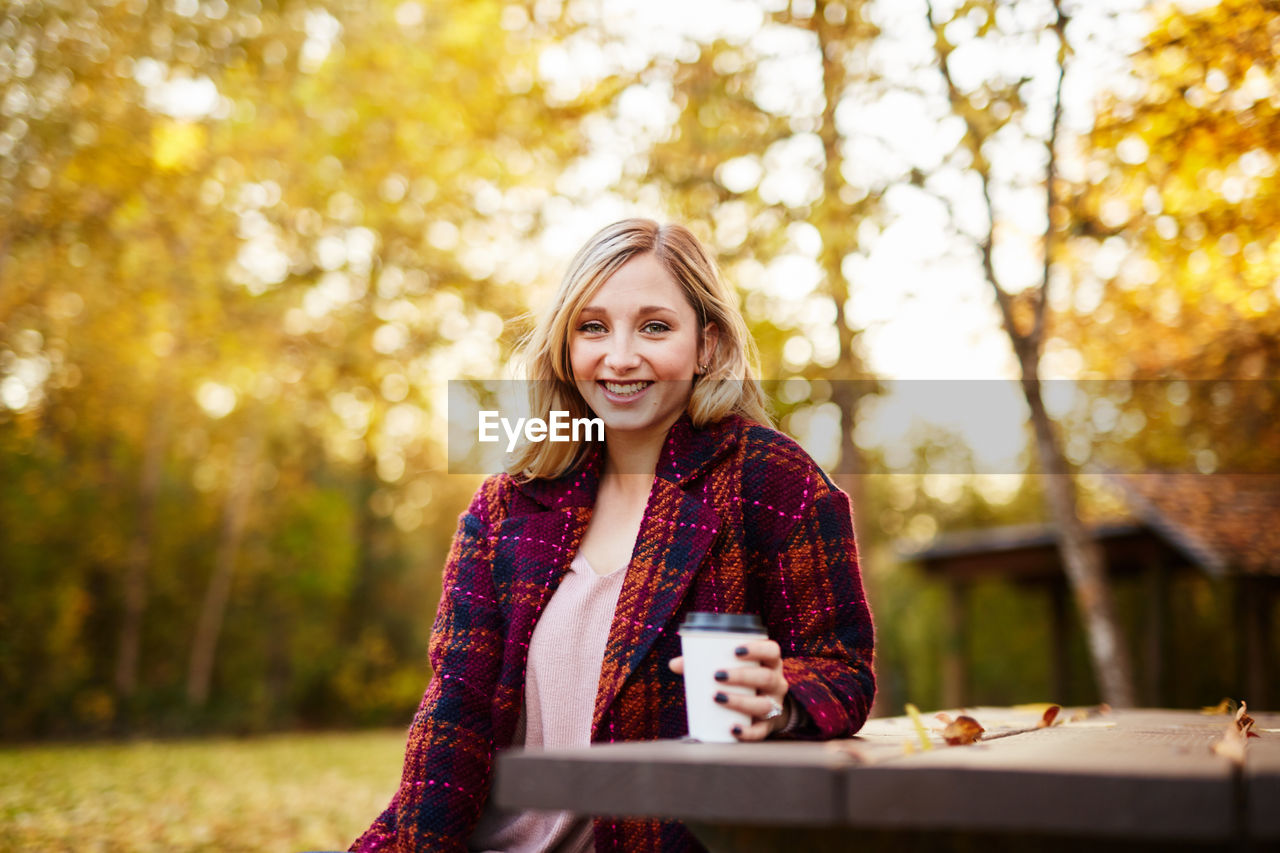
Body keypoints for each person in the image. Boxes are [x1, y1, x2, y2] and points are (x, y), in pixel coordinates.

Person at [351, 219, 875, 853]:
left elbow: (843, 669)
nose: (620, 357)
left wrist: (782, 698)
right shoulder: (507, 505)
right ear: (565, 347)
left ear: (706, 345)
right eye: (592, 327)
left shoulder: (770, 481)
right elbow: (452, 714)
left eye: (655, 326)